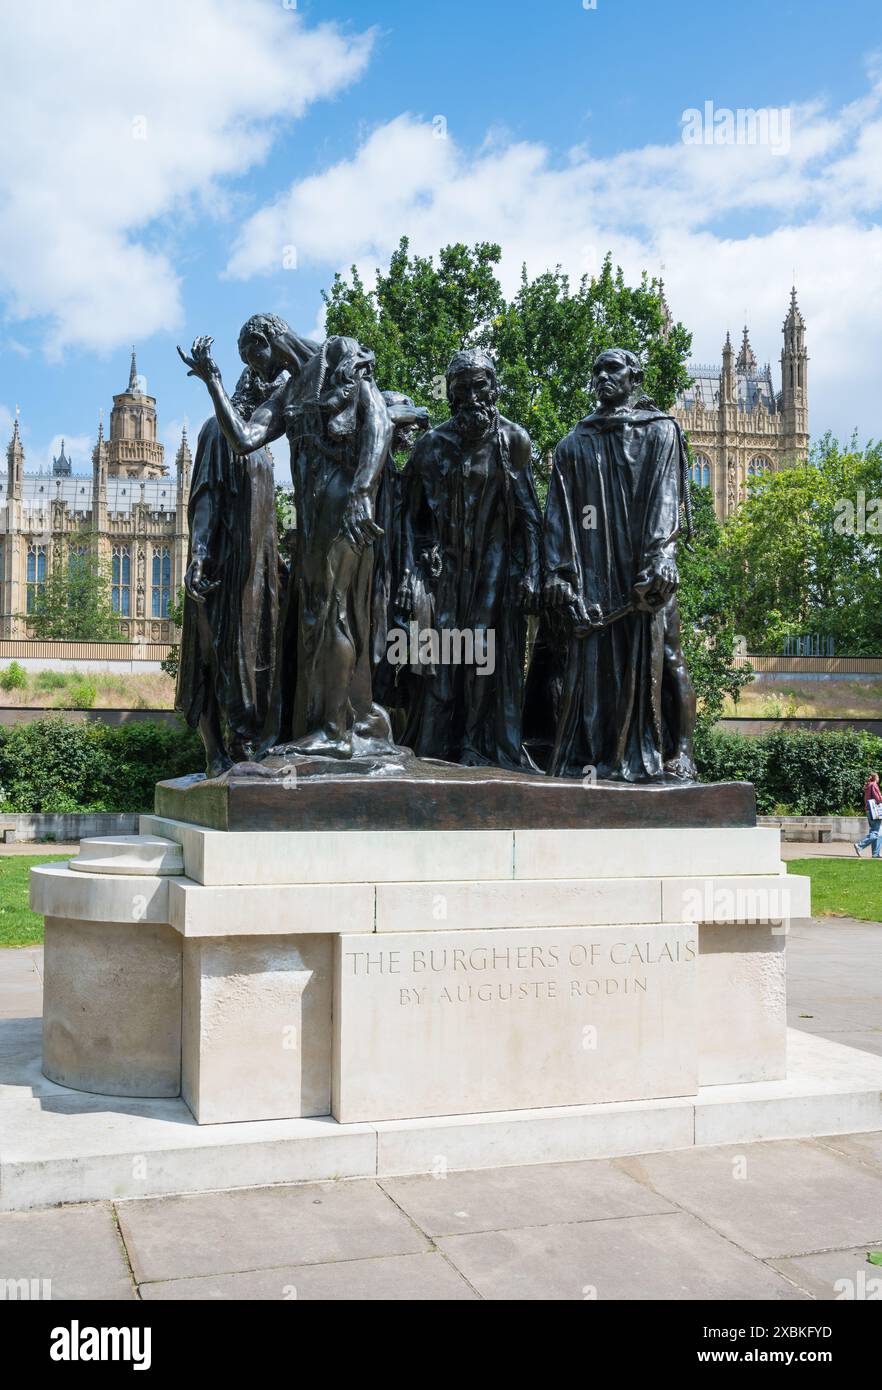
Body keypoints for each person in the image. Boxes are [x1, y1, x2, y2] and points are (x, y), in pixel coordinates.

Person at [178, 316, 394, 759]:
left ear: (268, 338)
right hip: (314, 520)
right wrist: (212, 382)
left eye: (252, 357)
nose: (253, 370)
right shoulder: (285, 394)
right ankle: (353, 718)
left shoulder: (338, 353)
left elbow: (381, 423)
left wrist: (362, 491)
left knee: (333, 613)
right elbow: (242, 438)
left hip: (345, 508)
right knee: (319, 617)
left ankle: (335, 733)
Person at [533, 347, 696, 781]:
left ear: (633, 377)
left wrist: (661, 554)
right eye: (597, 370)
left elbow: (666, 498)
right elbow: (559, 518)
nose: (604, 376)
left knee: (668, 653)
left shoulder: (661, 431)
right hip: (597, 576)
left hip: (648, 569)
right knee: (595, 665)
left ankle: (681, 751)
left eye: (613, 369)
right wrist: (559, 574)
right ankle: (603, 753)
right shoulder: (573, 444)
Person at [396, 349, 542, 768]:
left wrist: (532, 572)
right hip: (443, 570)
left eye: (480, 387)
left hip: (493, 565)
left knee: (480, 650)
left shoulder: (512, 440)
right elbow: (407, 517)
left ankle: (475, 746)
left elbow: (530, 515)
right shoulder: (430, 447)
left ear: (494, 388)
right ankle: (433, 748)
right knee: (439, 657)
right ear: (451, 395)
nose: (473, 398)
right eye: (462, 390)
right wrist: (413, 562)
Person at [175, 363, 284, 775]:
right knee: (217, 655)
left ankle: (248, 744)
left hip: (260, 568)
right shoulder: (216, 429)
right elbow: (205, 496)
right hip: (225, 564)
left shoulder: (260, 440)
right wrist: (199, 554)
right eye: (275, 394)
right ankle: (217, 752)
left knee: (258, 656)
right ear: (257, 386)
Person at [854, 772, 882, 858]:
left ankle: (875, 853)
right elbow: (878, 799)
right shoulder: (873, 785)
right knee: (876, 832)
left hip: (869, 811)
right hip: (875, 812)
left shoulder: (867, 785)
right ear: (875, 778)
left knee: (878, 832)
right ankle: (860, 845)